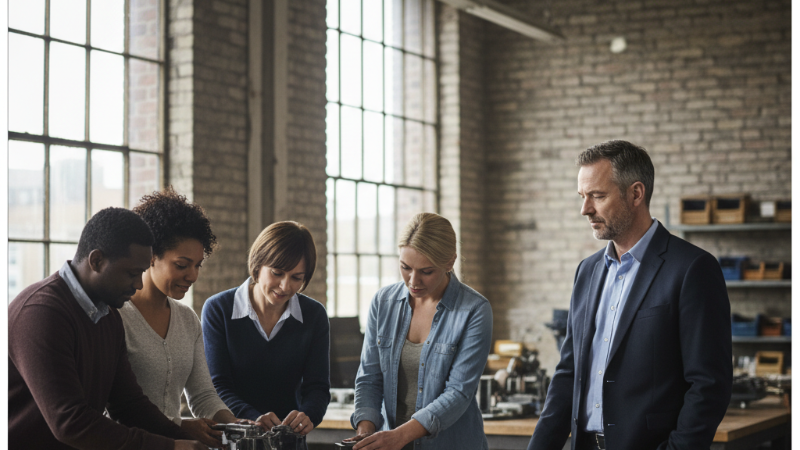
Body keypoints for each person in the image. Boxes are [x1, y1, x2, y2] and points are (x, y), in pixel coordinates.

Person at [527, 140, 732, 450]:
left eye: (597, 196)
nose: (585, 210)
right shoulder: (588, 271)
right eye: (583, 197)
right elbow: (569, 372)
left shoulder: (693, 268)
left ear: (636, 193)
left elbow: (709, 385)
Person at [9, 207, 206, 450]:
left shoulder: (108, 315)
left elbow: (129, 404)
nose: (138, 284)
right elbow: (70, 422)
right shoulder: (41, 312)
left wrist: (185, 441)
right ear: (97, 261)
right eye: (132, 273)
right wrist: (170, 447)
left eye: (142, 272)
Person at [346, 212, 493, 450]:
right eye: (405, 267)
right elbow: (369, 377)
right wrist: (366, 431)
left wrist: (399, 436)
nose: (413, 281)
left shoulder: (474, 310)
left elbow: (458, 393)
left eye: (426, 271)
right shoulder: (383, 302)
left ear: (449, 262)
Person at [120, 187, 241, 448]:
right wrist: (182, 426)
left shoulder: (187, 319)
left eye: (198, 265)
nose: (193, 276)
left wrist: (233, 424)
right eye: (182, 265)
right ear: (151, 257)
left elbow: (203, 395)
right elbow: (113, 409)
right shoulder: (117, 316)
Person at [202, 221, 331, 440]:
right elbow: (217, 386)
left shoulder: (314, 315)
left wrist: (307, 415)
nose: (285, 286)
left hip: (289, 440)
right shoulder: (219, 309)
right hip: (236, 438)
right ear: (257, 265)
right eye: (277, 273)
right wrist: (254, 419)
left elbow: (317, 387)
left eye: (297, 278)